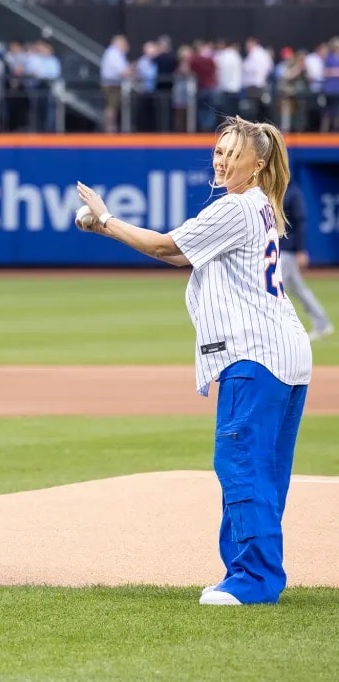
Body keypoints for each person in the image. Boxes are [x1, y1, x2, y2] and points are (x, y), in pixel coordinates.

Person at [74, 116, 312, 606]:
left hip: (255, 354)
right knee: (263, 471)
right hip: (284, 353)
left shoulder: (239, 207)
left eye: (233, 152)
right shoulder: (261, 206)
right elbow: (182, 255)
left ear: (259, 163)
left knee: (240, 463)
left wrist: (103, 220)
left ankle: (252, 580)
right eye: (219, 150)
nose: (222, 160)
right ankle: (252, 572)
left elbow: (167, 247)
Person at [280, 182, 333, 341]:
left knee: (274, 289)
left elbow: (301, 223)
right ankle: (322, 323)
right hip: (279, 248)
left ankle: (280, 330)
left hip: (288, 250)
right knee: (298, 289)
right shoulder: (277, 191)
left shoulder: (294, 193)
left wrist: (301, 250)